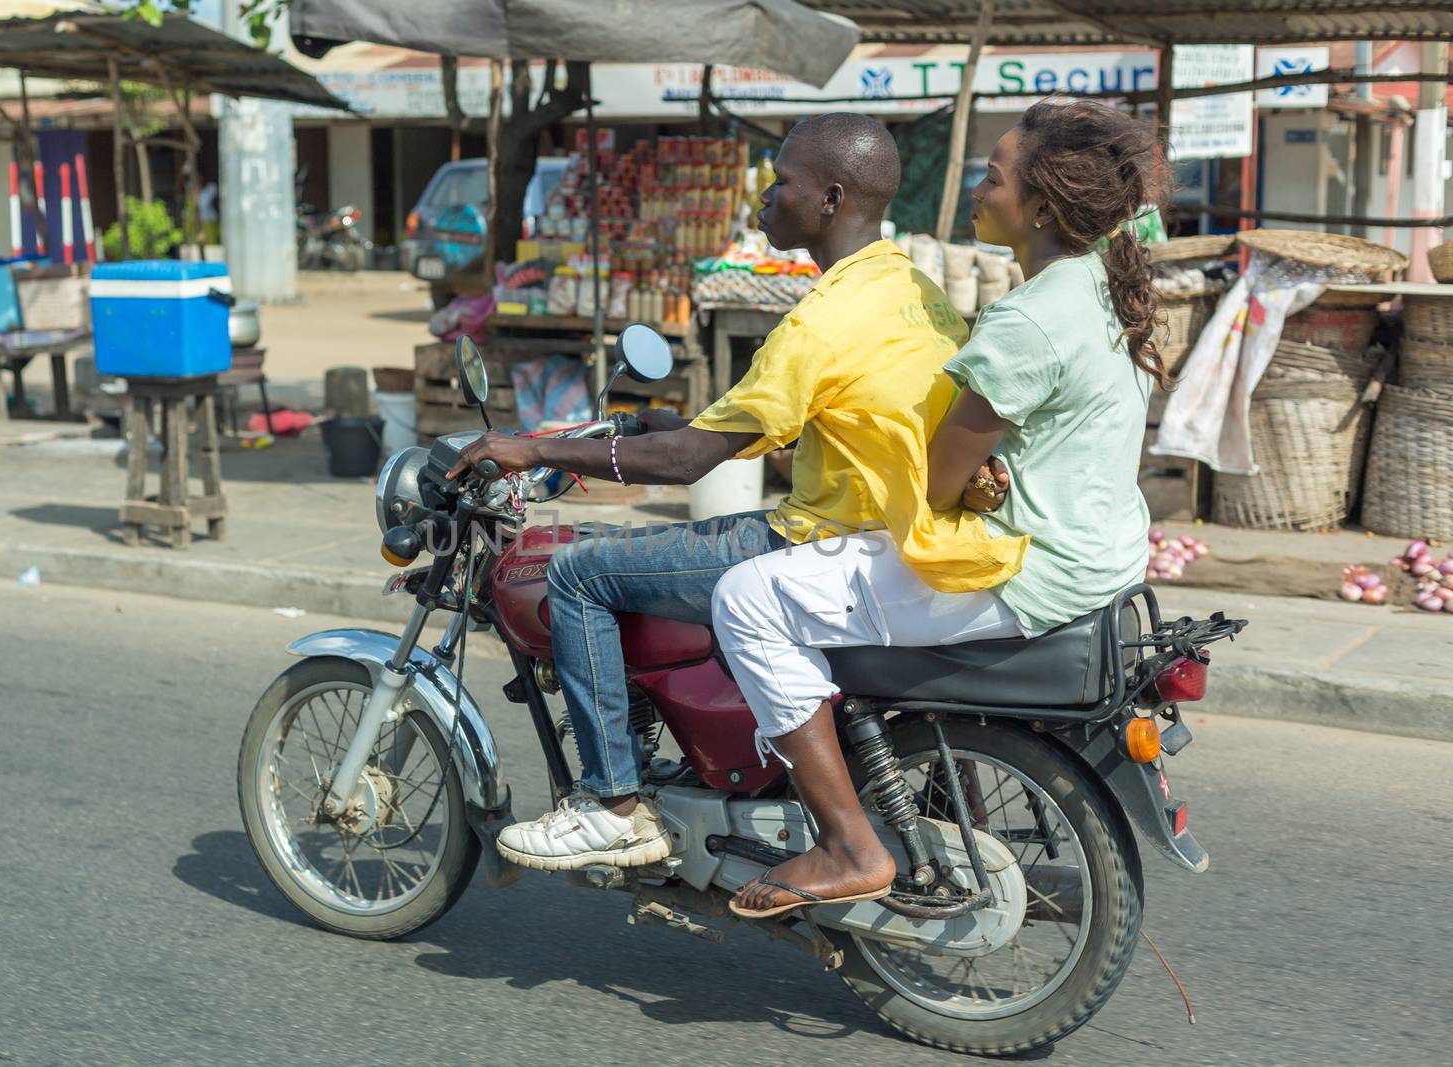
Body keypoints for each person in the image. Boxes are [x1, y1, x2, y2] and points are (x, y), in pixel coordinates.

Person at [449, 113, 1024, 872]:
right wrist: (670, 425)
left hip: (824, 536)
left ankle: (612, 804)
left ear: (829, 197)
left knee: (578, 571)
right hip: (894, 525)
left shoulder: (818, 322)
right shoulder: (910, 287)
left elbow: (690, 462)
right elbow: (830, 413)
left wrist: (529, 448)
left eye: (780, 180)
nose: (763, 195)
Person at [717, 99, 1173, 918]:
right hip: (1102, 557)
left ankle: (848, 845)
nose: (976, 189)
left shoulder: (1028, 319)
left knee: (748, 597)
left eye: (991, 177)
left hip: (1027, 571)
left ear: (1040, 206)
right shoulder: (1099, 288)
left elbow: (935, 482)